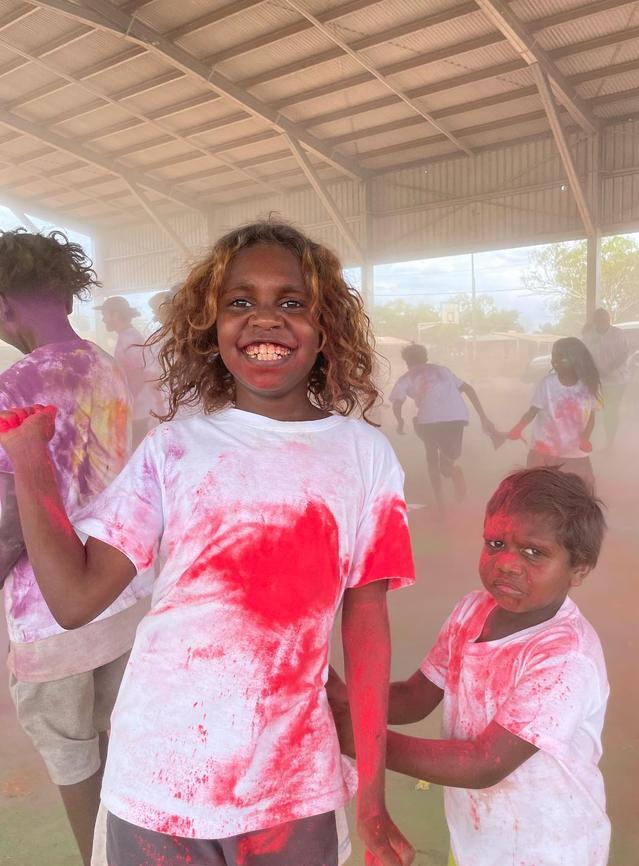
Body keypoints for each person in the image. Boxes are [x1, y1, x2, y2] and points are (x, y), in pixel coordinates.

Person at [0, 221, 416, 866]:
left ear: (326, 324)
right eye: (240, 302)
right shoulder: (175, 448)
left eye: (292, 301)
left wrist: (371, 793)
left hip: (292, 789)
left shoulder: (364, 457)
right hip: (154, 782)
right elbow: (76, 598)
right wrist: (31, 466)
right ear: (210, 326)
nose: (265, 320)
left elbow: (366, 622)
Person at [327, 467, 610, 866]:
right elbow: (415, 697)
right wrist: (345, 694)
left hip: (549, 848)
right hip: (476, 839)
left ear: (578, 569)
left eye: (534, 552)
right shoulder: (472, 611)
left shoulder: (565, 656)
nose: (507, 564)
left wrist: (359, 741)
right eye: (496, 543)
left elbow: (483, 763)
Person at [0, 229, 150, 866]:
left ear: (5, 306)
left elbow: (10, 516)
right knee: (117, 747)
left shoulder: (13, 387)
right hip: (120, 592)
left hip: (50, 610)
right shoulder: (103, 364)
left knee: (73, 759)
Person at [389, 343, 495, 519]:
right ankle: (444, 498)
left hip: (428, 423)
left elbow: (397, 403)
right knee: (443, 460)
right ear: (426, 357)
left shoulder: (406, 377)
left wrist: (400, 422)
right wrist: (483, 416)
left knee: (437, 463)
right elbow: (468, 389)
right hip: (455, 419)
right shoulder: (443, 371)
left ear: (407, 361)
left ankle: (443, 498)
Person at [505, 337, 601, 488]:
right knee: (538, 490)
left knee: (581, 491)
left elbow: (591, 418)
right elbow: (532, 412)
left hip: (574, 453)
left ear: (575, 359)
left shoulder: (588, 386)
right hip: (544, 451)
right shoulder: (547, 383)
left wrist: (585, 438)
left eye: (560, 357)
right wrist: (518, 428)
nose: (554, 361)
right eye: (553, 356)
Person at [96, 295, 164, 446]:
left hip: (140, 412)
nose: (103, 320)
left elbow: (139, 375)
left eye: (105, 315)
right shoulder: (126, 337)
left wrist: (125, 404)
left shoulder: (130, 340)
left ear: (115, 314)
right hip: (138, 410)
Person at [582, 308, 628, 446]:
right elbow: (584, 355)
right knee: (589, 410)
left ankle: (610, 442)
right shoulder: (589, 335)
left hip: (617, 380)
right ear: (595, 321)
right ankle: (587, 439)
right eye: (599, 318)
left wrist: (610, 369)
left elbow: (624, 354)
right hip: (596, 380)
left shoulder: (618, 333)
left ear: (609, 319)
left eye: (605, 318)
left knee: (610, 410)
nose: (603, 321)